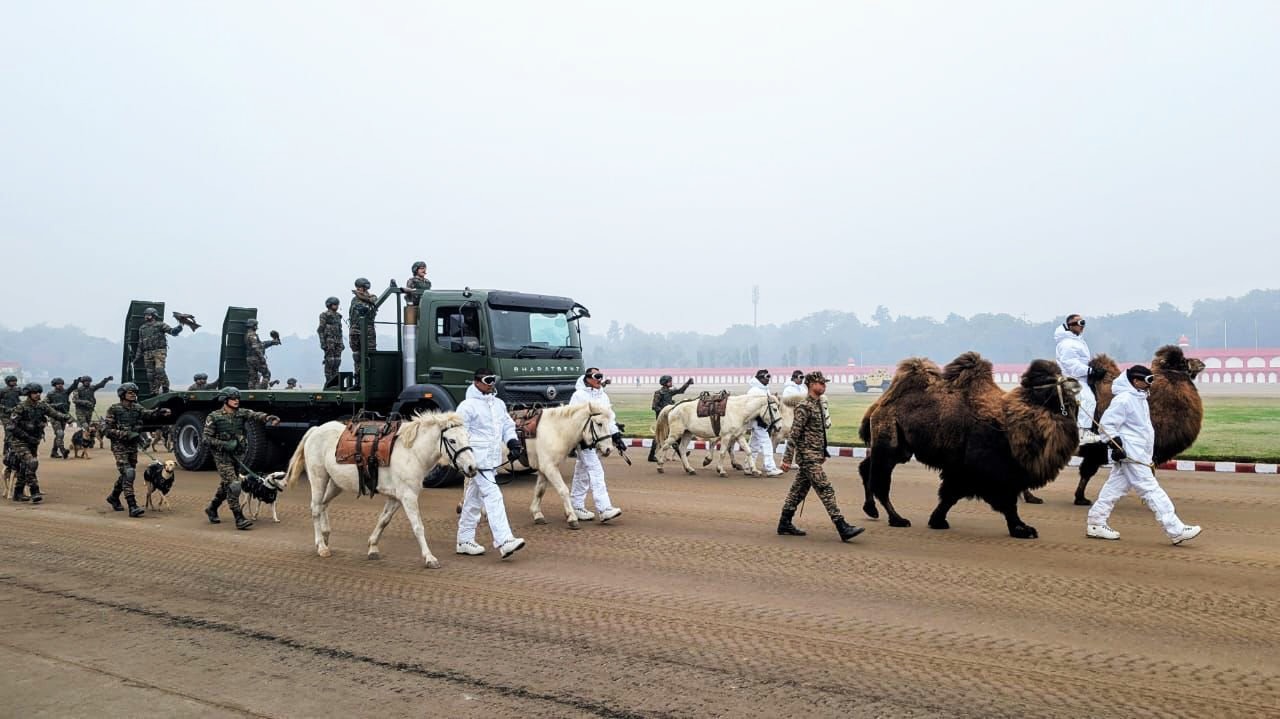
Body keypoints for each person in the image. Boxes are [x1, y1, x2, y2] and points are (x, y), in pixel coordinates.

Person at [1086, 365, 1202, 545]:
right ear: (1135, 381)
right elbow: (1107, 425)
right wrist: (1116, 445)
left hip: (1139, 453)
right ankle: (1175, 530)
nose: (1150, 385)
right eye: (1147, 381)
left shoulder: (1139, 398)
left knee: (1114, 489)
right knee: (1151, 490)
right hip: (1132, 454)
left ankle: (1095, 523)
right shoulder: (1124, 399)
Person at [777, 371, 864, 542]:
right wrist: (787, 459)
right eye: (821, 383)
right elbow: (794, 435)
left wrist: (823, 452)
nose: (824, 385)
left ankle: (784, 523)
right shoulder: (804, 407)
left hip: (814, 455)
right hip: (808, 457)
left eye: (825, 383)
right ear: (811, 384)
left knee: (798, 491)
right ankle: (842, 526)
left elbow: (819, 433)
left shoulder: (817, 405)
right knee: (826, 488)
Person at [455, 369, 527, 559]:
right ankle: (504, 541)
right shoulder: (466, 406)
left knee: (473, 499)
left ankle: (464, 540)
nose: (491, 384)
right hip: (477, 460)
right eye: (487, 380)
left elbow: (507, 426)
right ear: (476, 382)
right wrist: (468, 459)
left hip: (492, 458)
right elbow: (460, 434)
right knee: (493, 496)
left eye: (493, 380)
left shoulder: (499, 404)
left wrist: (513, 442)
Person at [202, 387, 280, 530]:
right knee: (234, 485)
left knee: (226, 484)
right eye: (233, 398)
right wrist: (225, 444)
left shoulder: (241, 413)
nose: (236, 401)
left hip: (237, 455)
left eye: (238, 398)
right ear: (225, 400)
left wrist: (268, 417)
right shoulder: (214, 417)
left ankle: (212, 508)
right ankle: (239, 517)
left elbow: (255, 415)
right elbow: (206, 439)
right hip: (222, 457)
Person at [102, 382, 172, 516]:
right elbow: (106, 430)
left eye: (135, 392)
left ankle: (114, 497)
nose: (133, 394)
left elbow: (148, 414)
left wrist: (160, 412)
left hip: (132, 446)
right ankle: (132, 506)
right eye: (130, 392)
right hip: (119, 446)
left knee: (126, 474)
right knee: (129, 473)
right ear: (122, 395)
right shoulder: (114, 409)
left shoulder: (137, 408)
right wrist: (126, 434)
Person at [568, 368, 625, 523]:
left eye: (601, 376)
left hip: (599, 440)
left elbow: (609, 419)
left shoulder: (603, 396)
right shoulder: (579, 396)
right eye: (596, 376)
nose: (600, 379)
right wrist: (581, 438)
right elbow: (573, 417)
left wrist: (616, 436)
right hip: (584, 441)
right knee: (596, 472)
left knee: (582, 473)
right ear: (587, 378)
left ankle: (576, 506)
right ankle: (604, 509)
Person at [5, 383, 71, 502]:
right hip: (20, 441)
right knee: (32, 462)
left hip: (34, 441)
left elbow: (54, 414)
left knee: (26, 466)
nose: (38, 395)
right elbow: (11, 426)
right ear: (29, 394)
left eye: (39, 392)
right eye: (35, 393)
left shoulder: (42, 406)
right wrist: (25, 436)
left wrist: (67, 417)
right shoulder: (21, 407)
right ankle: (34, 491)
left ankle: (18, 492)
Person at [1054, 314, 1106, 444]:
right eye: (1080, 323)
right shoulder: (1067, 344)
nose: (1083, 326)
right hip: (1072, 378)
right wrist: (1091, 371)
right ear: (1071, 325)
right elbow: (1071, 365)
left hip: (1081, 377)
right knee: (1088, 399)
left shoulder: (1077, 340)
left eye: (1084, 323)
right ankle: (1082, 432)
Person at [135, 306, 187, 394]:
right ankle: (154, 391)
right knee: (150, 375)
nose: (146, 316)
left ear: (153, 315)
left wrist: (180, 326)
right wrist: (137, 356)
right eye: (145, 315)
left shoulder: (160, 325)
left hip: (159, 351)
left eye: (148, 315)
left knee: (159, 370)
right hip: (147, 353)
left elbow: (172, 332)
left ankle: (165, 386)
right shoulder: (142, 328)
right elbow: (140, 344)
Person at [648, 374, 694, 461]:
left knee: (675, 434)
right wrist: (665, 411)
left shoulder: (669, 392)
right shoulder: (658, 393)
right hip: (662, 419)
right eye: (669, 381)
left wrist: (687, 383)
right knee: (659, 437)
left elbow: (680, 390)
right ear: (665, 383)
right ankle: (651, 456)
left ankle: (681, 453)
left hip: (670, 418)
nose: (671, 382)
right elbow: (654, 406)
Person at [746, 369, 783, 477]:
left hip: (762, 421)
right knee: (766, 444)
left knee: (754, 445)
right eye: (766, 377)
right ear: (760, 378)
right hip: (758, 421)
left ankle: (748, 466)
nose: (768, 380)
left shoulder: (764, 389)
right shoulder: (754, 391)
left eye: (768, 377)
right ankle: (770, 468)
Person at [348, 278, 378, 372]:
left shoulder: (372, 296)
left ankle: (370, 378)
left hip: (368, 329)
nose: (358, 289)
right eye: (357, 288)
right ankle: (358, 380)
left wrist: (359, 295)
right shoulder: (354, 299)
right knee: (356, 355)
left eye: (360, 287)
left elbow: (372, 301)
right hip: (355, 329)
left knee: (370, 353)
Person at [244, 318, 282, 389]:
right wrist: (262, 358)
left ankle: (251, 391)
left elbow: (260, 345)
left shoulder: (247, 335)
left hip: (249, 359)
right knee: (267, 374)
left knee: (253, 377)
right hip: (256, 358)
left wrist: (271, 342)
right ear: (254, 326)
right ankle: (261, 390)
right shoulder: (253, 336)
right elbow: (256, 347)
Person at [318, 297, 345, 386]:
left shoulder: (338, 316)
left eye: (337, 304)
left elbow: (340, 330)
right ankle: (329, 382)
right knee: (330, 361)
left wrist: (342, 342)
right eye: (335, 304)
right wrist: (322, 342)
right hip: (329, 340)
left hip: (338, 340)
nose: (336, 306)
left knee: (337, 361)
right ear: (329, 305)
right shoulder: (324, 315)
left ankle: (335, 381)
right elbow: (320, 330)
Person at [44, 377, 73, 459]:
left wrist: (76, 383)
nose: (60, 385)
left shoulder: (65, 392)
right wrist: (56, 405)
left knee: (59, 435)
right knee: (60, 433)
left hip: (64, 416)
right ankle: (63, 450)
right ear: (54, 385)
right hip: (54, 416)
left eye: (61, 384)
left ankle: (54, 452)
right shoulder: (50, 394)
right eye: (57, 384)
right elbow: (45, 404)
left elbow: (72, 388)